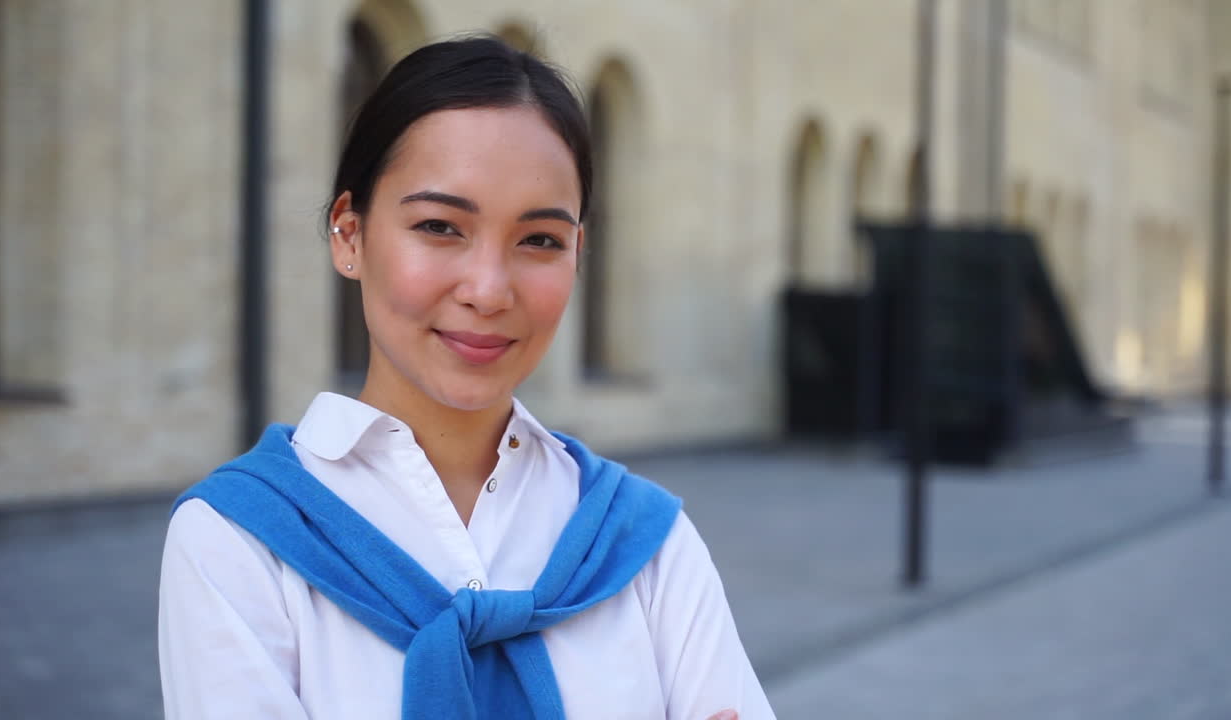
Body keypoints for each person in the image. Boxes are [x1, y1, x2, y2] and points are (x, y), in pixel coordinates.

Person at [158, 35, 774, 720]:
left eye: (539, 239)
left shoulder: (645, 543)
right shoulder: (238, 543)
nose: (488, 290)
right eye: (440, 226)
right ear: (349, 235)